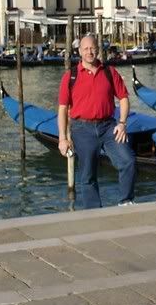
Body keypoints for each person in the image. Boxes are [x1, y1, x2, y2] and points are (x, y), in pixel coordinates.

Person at [57, 33, 136, 208]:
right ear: (79, 51)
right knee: (87, 175)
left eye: (92, 48)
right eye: (85, 49)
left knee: (127, 160)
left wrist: (122, 123)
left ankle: (126, 201)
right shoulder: (70, 76)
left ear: (98, 50)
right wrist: (62, 138)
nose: (89, 52)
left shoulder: (109, 72)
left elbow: (123, 99)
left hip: (109, 127)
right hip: (82, 129)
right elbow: (62, 109)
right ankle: (94, 213)